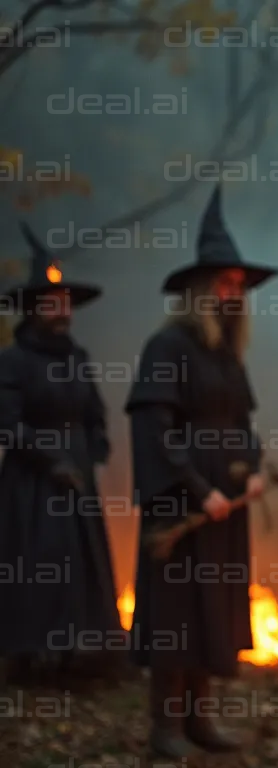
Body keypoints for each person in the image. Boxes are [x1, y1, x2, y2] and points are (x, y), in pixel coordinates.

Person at [124, 184, 276, 757]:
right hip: (181, 502)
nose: (234, 294)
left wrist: (254, 469)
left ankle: (198, 720)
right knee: (173, 611)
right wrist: (197, 489)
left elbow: (243, 423)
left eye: (240, 285)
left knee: (211, 608)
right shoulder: (166, 347)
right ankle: (164, 727)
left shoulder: (226, 356)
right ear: (198, 290)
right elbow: (153, 428)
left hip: (223, 504)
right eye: (225, 284)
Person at [0, 224, 118, 686]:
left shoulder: (77, 356)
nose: (62, 310)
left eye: (66, 303)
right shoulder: (13, 360)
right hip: (32, 483)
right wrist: (52, 462)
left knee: (80, 565)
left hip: (79, 475)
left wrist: (96, 443)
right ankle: (27, 656)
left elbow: (92, 409)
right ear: (33, 309)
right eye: (53, 303)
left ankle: (78, 654)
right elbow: (9, 423)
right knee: (37, 565)